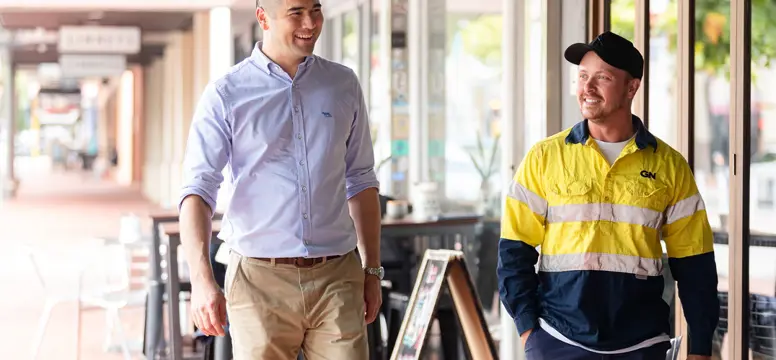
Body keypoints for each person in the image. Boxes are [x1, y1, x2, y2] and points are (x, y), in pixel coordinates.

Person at [177, 0, 384, 359]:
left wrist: (372, 269)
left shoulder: (343, 85)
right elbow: (197, 190)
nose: (311, 22)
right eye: (297, 12)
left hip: (337, 274)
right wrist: (201, 280)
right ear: (263, 18)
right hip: (259, 281)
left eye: (316, 10)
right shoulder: (227, 93)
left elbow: (361, 179)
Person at [497, 31, 719, 360]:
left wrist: (699, 348)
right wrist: (530, 331)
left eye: (602, 77)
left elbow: (696, 267)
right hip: (558, 341)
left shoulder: (670, 166)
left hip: (642, 345)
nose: (587, 88)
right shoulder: (544, 158)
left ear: (632, 87)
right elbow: (514, 252)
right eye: (583, 76)